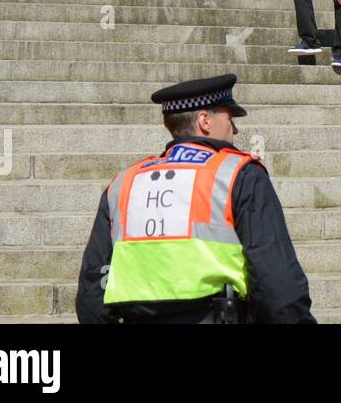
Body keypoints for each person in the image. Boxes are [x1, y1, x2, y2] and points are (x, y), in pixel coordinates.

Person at [74, 74, 315, 323]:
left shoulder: (124, 183)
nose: (235, 128)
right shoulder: (238, 175)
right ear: (205, 121)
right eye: (229, 118)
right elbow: (276, 281)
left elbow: (94, 290)